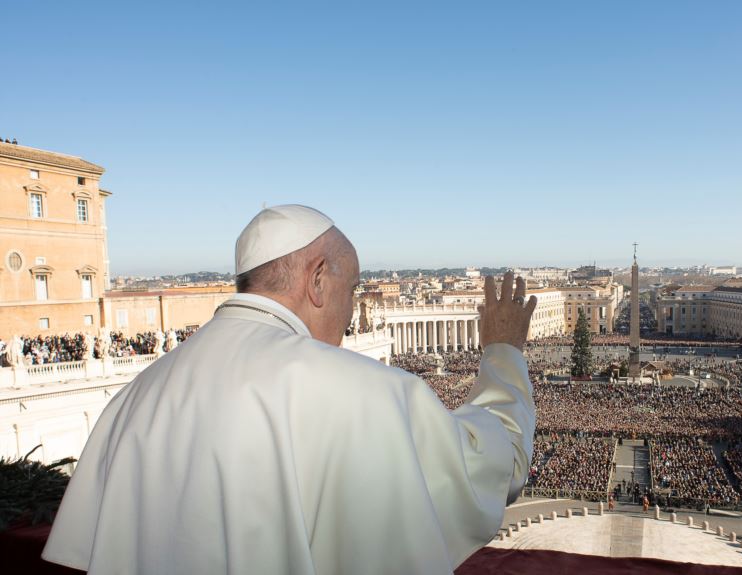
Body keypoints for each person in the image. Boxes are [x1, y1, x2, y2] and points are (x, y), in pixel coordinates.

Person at [43, 205, 539, 574]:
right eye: (351, 291)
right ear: (319, 280)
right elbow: (497, 465)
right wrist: (502, 351)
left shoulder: (135, 398)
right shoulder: (365, 394)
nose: (349, 318)